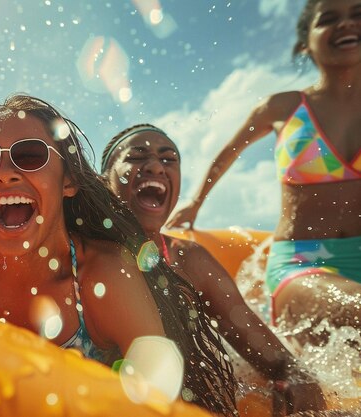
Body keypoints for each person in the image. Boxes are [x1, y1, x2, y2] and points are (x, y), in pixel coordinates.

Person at [0, 94, 238, 415]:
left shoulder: (101, 275)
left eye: (29, 155)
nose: (4, 172)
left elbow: (154, 399)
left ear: (69, 182)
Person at [101, 124, 326, 415]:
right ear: (103, 180)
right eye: (136, 156)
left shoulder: (190, 260)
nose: (156, 166)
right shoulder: (83, 256)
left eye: (169, 159)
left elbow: (278, 360)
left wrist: (297, 380)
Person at [167, 0, 361, 336]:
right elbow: (228, 152)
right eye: (328, 19)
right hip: (305, 263)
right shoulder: (283, 107)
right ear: (305, 43)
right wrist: (195, 203)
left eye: (357, 14)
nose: (345, 24)